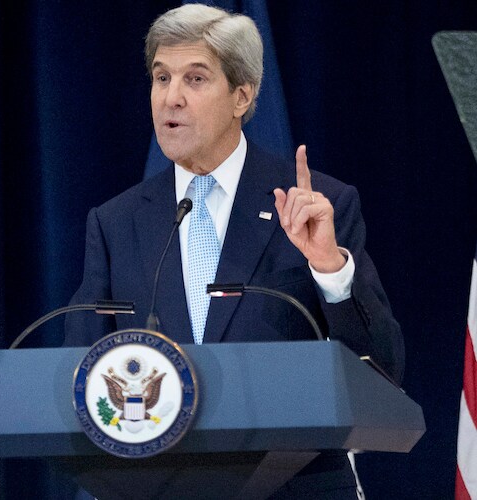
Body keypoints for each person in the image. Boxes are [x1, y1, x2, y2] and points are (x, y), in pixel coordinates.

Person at [65, 4, 404, 498]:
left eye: (195, 79)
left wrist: (329, 267)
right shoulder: (116, 223)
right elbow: (83, 369)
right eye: (161, 78)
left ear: (241, 96)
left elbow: (381, 370)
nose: (170, 99)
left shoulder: (314, 207)